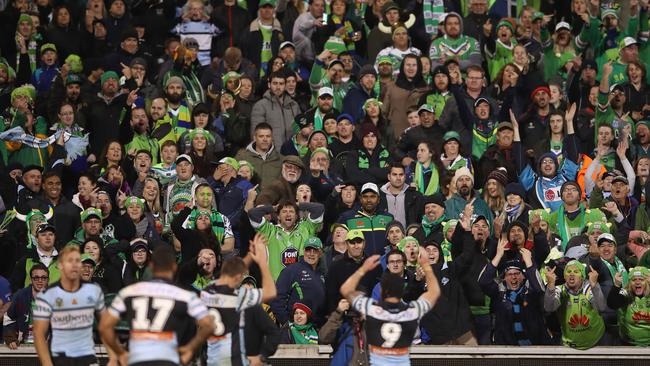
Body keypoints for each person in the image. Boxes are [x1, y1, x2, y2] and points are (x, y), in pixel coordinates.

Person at [99, 244, 215, 366]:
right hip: (169, 360)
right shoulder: (185, 296)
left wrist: (120, 353)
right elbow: (208, 326)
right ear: (174, 267)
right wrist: (191, 348)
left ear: (151, 266)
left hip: (137, 360)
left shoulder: (129, 292)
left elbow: (104, 327)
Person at [339, 251, 440, 365]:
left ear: (383, 291)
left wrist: (363, 269)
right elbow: (435, 292)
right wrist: (426, 266)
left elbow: (345, 289)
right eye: (392, 262)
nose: (395, 264)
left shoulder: (375, 311)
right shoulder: (411, 311)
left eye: (398, 261)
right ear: (402, 291)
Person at [201, 233, 277, 366]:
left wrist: (249, 255)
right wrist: (262, 262)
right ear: (237, 278)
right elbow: (271, 292)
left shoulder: (207, 291)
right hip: (233, 361)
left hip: (213, 361)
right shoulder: (239, 297)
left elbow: (234, 271)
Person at [33, 245, 105, 366]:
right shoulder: (48, 295)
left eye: (89, 266)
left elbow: (106, 326)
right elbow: (38, 334)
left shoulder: (96, 291)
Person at [479, 238, 548, 345]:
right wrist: (498, 256)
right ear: (504, 277)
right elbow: (483, 282)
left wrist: (529, 262)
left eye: (517, 273)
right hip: (507, 350)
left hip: (534, 348)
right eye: (509, 274)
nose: (514, 277)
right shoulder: (498, 292)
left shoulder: (530, 290)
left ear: (523, 276)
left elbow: (540, 289)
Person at [249, 200, 324, 280]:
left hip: (302, 284)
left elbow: (319, 209)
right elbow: (252, 213)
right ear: (278, 216)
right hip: (277, 284)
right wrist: (273, 208)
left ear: (296, 216)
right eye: (284, 211)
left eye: (291, 211)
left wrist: (299, 205)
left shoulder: (305, 228)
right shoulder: (269, 230)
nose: (288, 214)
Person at [544, 259, 607, 349]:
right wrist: (550, 286)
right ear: (565, 277)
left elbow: (601, 307)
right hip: (569, 344)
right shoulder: (559, 290)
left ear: (582, 276)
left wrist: (595, 286)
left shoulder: (589, 288)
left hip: (596, 342)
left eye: (576, 271)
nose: (571, 274)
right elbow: (549, 308)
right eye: (568, 271)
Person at [271, 236, 326, 326]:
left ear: (320, 254)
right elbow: (276, 300)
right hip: (298, 327)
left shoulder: (322, 273)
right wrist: (288, 324)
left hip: (317, 327)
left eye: (315, 250)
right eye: (308, 250)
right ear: (303, 251)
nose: (311, 254)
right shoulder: (291, 270)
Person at [3, 264, 49, 349]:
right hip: (22, 346)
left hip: (46, 347)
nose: (40, 281)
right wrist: (10, 338)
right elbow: (8, 319)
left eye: (43, 278)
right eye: (36, 278)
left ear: (48, 280)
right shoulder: (20, 296)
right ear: (31, 280)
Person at [607, 266, 650, 346]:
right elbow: (612, 304)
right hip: (629, 344)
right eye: (634, 280)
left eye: (641, 279)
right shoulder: (627, 293)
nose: (637, 282)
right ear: (630, 283)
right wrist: (616, 286)